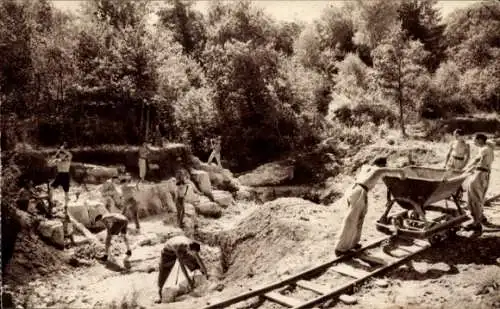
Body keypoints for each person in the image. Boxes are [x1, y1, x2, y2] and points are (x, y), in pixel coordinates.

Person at [334, 157, 407, 255]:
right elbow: (399, 171)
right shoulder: (378, 170)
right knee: (351, 220)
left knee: (359, 218)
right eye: (384, 165)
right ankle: (340, 249)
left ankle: (353, 244)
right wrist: (402, 176)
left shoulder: (366, 167)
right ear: (382, 165)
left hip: (354, 190)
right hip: (359, 192)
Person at [155, 235, 208, 304]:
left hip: (181, 246)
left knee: (194, 263)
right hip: (168, 251)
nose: (193, 254)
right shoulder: (179, 247)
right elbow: (182, 266)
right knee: (164, 272)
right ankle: (159, 295)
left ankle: (199, 279)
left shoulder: (192, 244)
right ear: (188, 248)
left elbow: (198, 259)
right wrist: (189, 281)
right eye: (192, 252)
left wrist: (206, 272)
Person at [462, 133, 495, 232]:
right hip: (479, 173)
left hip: (480, 174)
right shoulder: (485, 148)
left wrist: (464, 169)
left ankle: (476, 223)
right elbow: (477, 163)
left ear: (480, 140)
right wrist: (468, 169)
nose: (473, 141)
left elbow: (476, 160)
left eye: (475, 139)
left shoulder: (485, 149)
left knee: (475, 198)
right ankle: (477, 219)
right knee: (471, 197)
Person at [49, 142, 73, 240]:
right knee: (51, 187)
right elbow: (49, 163)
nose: (62, 155)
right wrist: (57, 154)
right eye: (61, 153)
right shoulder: (58, 160)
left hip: (66, 175)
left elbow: (70, 155)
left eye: (63, 153)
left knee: (66, 192)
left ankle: (66, 205)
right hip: (60, 175)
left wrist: (62, 149)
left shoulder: (68, 159)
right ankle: (51, 200)